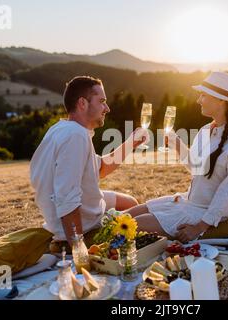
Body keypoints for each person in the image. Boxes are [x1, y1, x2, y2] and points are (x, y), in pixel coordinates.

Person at [124, 72, 228, 243]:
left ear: (221, 100)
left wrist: (199, 227)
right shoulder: (205, 131)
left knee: (131, 224)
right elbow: (196, 168)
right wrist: (176, 143)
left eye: (203, 95)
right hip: (187, 202)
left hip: (206, 214)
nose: (198, 100)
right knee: (125, 215)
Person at [30, 76, 147, 249]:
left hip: (72, 209)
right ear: (83, 103)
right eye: (102, 101)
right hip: (79, 225)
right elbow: (67, 199)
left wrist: (131, 143)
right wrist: (79, 250)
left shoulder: (61, 129)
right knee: (145, 215)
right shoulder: (75, 136)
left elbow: (100, 168)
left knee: (129, 202)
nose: (107, 108)